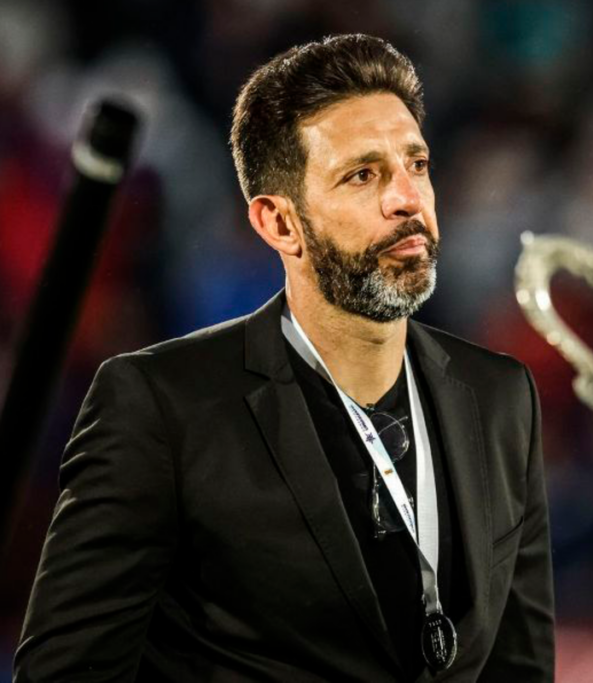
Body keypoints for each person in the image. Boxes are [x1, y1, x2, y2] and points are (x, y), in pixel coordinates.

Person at [15, 34, 555, 682]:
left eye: (416, 164)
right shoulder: (161, 407)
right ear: (278, 222)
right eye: (363, 174)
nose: (406, 199)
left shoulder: (500, 396)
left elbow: (519, 668)